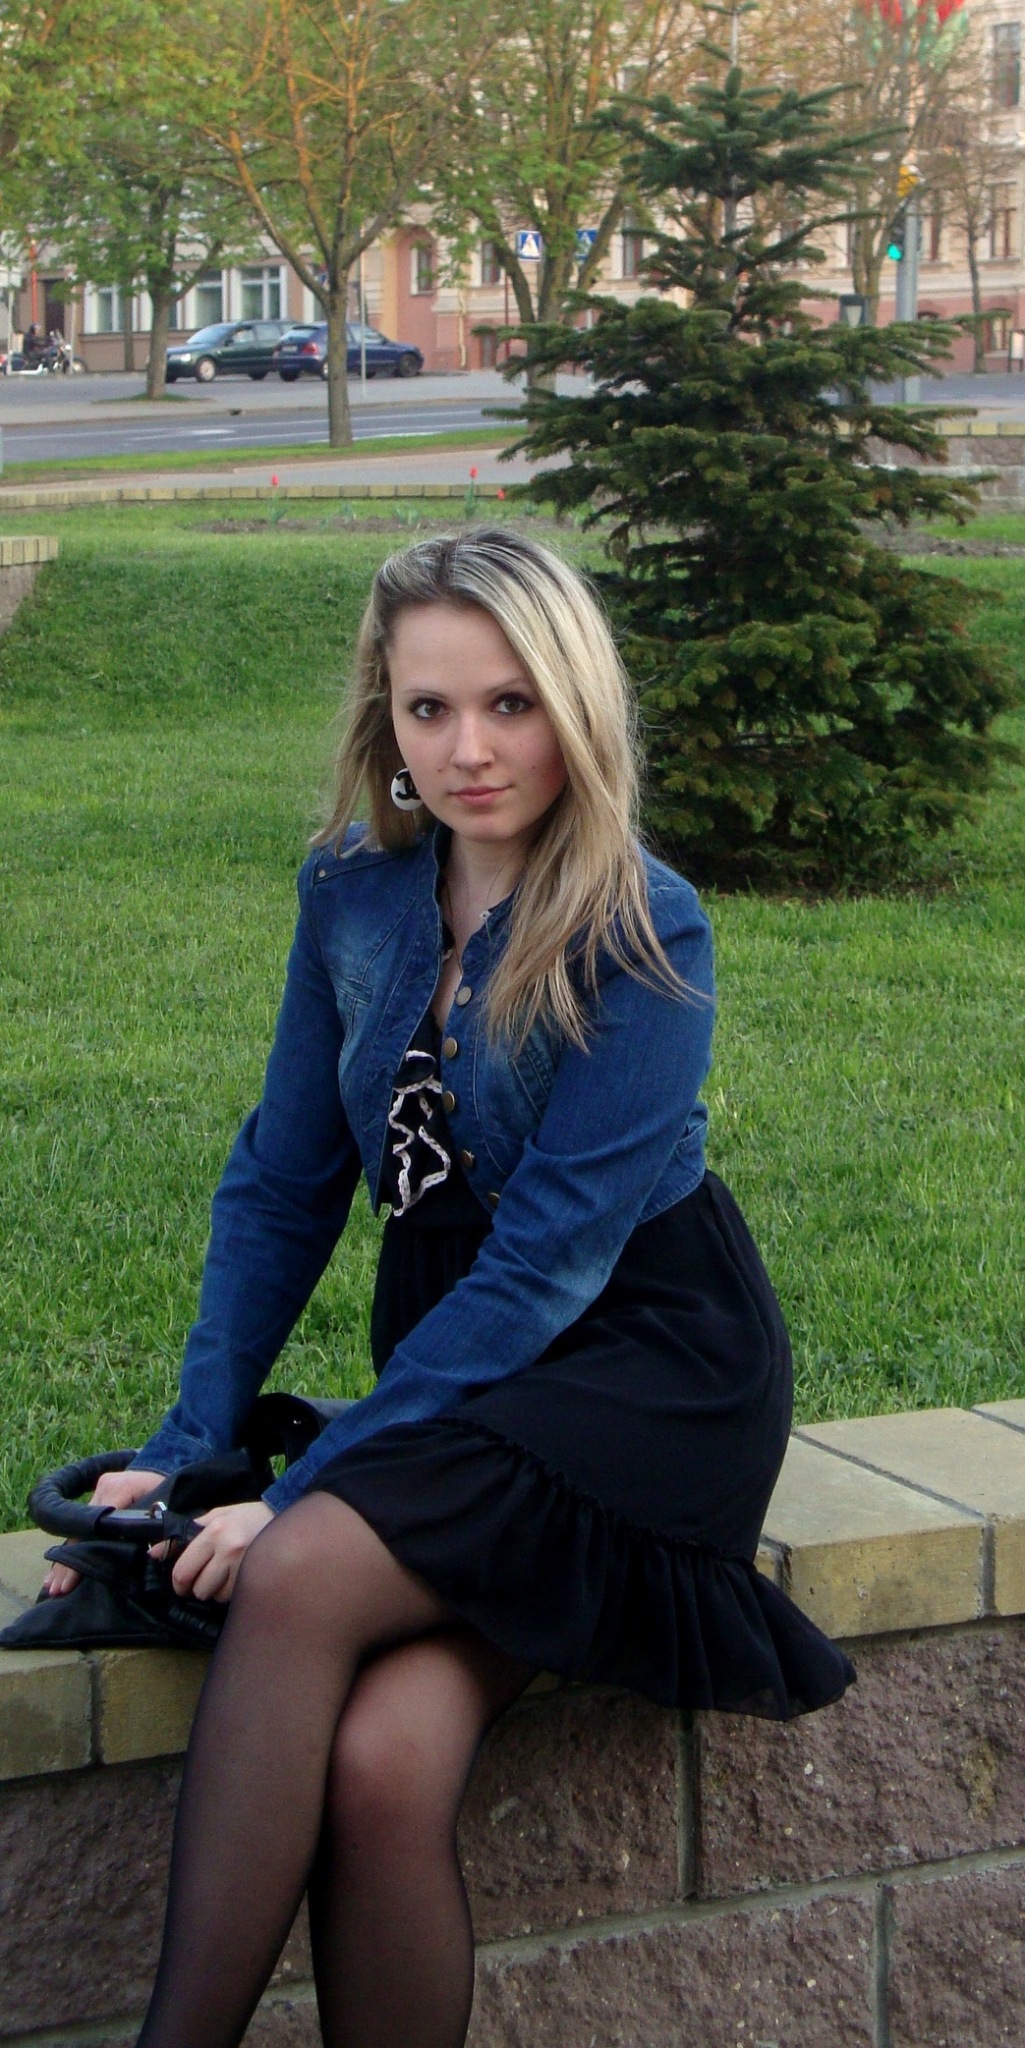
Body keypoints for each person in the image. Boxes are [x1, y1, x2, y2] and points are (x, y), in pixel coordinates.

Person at [45, 528, 855, 2048]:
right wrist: (192, 1442)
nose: (469, 749)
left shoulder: (643, 921)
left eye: (510, 703)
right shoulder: (351, 892)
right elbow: (285, 1182)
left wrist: (307, 1491)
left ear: (575, 707)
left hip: (641, 1369)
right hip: (466, 1358)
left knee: (298, 1570)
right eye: (429, 708)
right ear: (386, 716)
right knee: (381, 1766)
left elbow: (549, 1261)